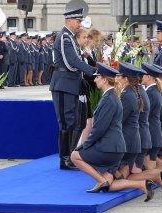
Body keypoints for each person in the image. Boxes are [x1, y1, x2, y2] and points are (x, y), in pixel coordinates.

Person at [71, 62, 154, 202]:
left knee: (74, 156)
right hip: (116, 147)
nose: (95, 80)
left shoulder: (109, 98)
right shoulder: (114, 96)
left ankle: (99, 180)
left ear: (104, 79)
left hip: (109, 148)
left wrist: (85, 145)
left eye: (97, 77)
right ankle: (141, 184)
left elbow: (99, 128)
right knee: (109, 186)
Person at [49, 8, 94, 170]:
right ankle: (65, 159)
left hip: (70, 83)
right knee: (66, 122)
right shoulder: (65, 37)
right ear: (69, 20)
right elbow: (73, 60)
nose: (79, 24)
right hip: (63, 84)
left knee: (73, 121)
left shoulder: (70, 38)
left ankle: (69, 155)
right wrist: (94, 71)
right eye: (78, 21)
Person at [115, 62, 143, 176]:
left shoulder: (126, 94)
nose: (116, 78)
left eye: (118, 76)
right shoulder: (130, 92)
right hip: (131, 139)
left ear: (126, 79)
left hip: (128, 140)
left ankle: (151, 179)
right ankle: (156, 178)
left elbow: (120, 119)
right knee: (126, 175)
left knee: (118, 178)